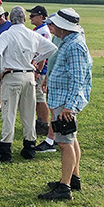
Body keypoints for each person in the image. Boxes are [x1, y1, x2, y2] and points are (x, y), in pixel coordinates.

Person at [0, 6, 57, 162]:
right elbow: (52, 48)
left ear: (11, 19)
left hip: (12, 77)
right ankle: (29, 147)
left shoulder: (7, 34)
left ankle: (5, 149)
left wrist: (1, 70)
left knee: (9, 114)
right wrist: (36, 60)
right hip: (29, 77)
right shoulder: (32, 34)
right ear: (24, 19)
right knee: (29, 114)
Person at [39, 8, 92, 201]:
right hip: (61, 99)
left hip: (65, 102)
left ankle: (64, 187)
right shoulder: (68, 42)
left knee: (64, 143)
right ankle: (73, 178)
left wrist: (69, 106)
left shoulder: (74, 46)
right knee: (71, 139)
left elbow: (78, 78)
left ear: (63, 27)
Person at [35, 14, 61, 153]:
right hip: (52, 77)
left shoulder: (66, 41)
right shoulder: (57, 37)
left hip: (60, 82)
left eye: (51, 24)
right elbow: (52, 60)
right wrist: (47, 78)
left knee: (56, 111)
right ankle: (54, 138)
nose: (49, 27)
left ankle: (51, 140)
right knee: (54, 110)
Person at [26, 5, 52, 137]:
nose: (30, 18)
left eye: (32, 15)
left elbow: (44, 52)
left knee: (40, 97)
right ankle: (40, 121)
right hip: (37, 68)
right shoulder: (39, 30)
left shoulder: (43, 32)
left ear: (41, 17)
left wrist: (39, 70)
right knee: (37, 97)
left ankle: (43, 124)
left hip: (39, 69)